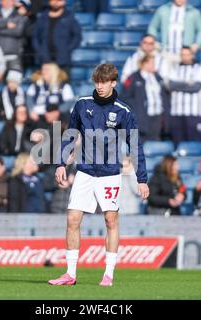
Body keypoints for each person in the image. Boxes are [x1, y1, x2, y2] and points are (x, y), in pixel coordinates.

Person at [48, 63, 149, 287]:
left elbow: (135, 146)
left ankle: (108, 274)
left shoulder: (124, 111)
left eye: (104, 82)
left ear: (113, 83)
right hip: (84, 172)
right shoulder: (82, 105)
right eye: (97, 82)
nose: (100, 86)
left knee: (110, 220)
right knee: (72, 219)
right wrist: (61, 163)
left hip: (109, 175)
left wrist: (141, 179)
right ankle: (70, 274)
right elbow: (69, 134)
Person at [120, 55, 170, 142]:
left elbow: (165, 95)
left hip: (157, 116)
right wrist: (137, 109)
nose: (154, 65)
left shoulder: (158, 77)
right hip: (141, 117)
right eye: (151, 63)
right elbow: (124, 97)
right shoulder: (133, 77)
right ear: (144, 64)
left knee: (154, 141)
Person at [166, 46, 201, 144]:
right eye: (182, 55)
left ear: (192, 55)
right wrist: (188, 83)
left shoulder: (199, 69)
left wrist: (179, 84)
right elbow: (171, 85)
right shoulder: (175, 68)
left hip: (193, 113)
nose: (185, 57)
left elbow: (196, 87)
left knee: (194, 143)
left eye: (187, 54)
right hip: (176, 112)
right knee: (178, 143)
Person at [32, 0, 82, 73]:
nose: (55, 2)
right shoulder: (42, 17)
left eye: (58, 0)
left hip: (63, 60)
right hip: (45, 59)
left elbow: (77, 36)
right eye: (53, 0)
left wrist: (67, 49)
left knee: (63, 83)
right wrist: (40, 50)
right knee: (46, 84)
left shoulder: (69, 17)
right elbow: (35, 36)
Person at [0, 0, 28, 71]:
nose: (6, 3)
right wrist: (6, 25)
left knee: (13, 80)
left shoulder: (19, 16)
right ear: (1, 2)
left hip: (13, 55)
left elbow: (18, 31)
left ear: (13, 2)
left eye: (9, 1)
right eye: (4, 0)